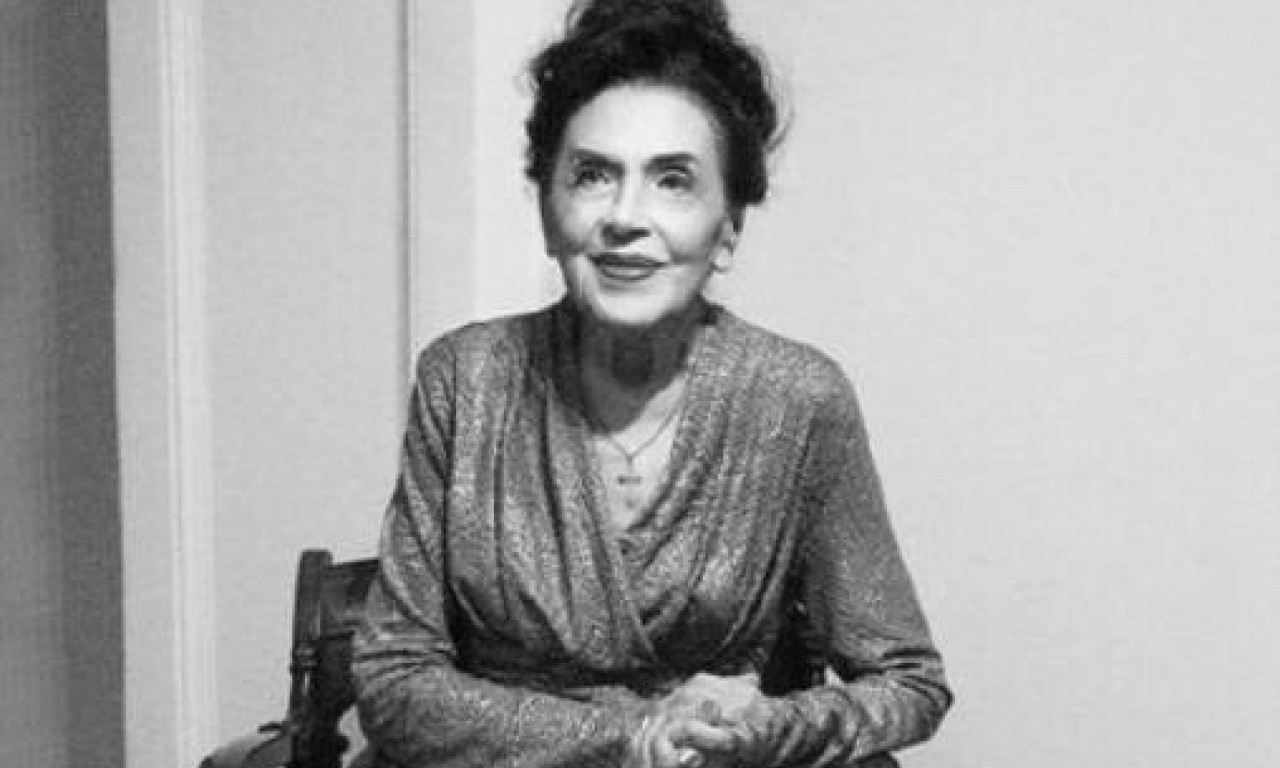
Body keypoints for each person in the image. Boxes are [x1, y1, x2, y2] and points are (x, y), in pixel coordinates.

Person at [352, 1, 952, 766]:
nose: (625, 217)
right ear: (548, 213)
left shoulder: (798, 398)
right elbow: (393, 680)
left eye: (672, 181)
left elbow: (909, 683)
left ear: (728, 228)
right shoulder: (465, 380)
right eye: (593, 175)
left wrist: (764, 728)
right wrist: (631, 738)